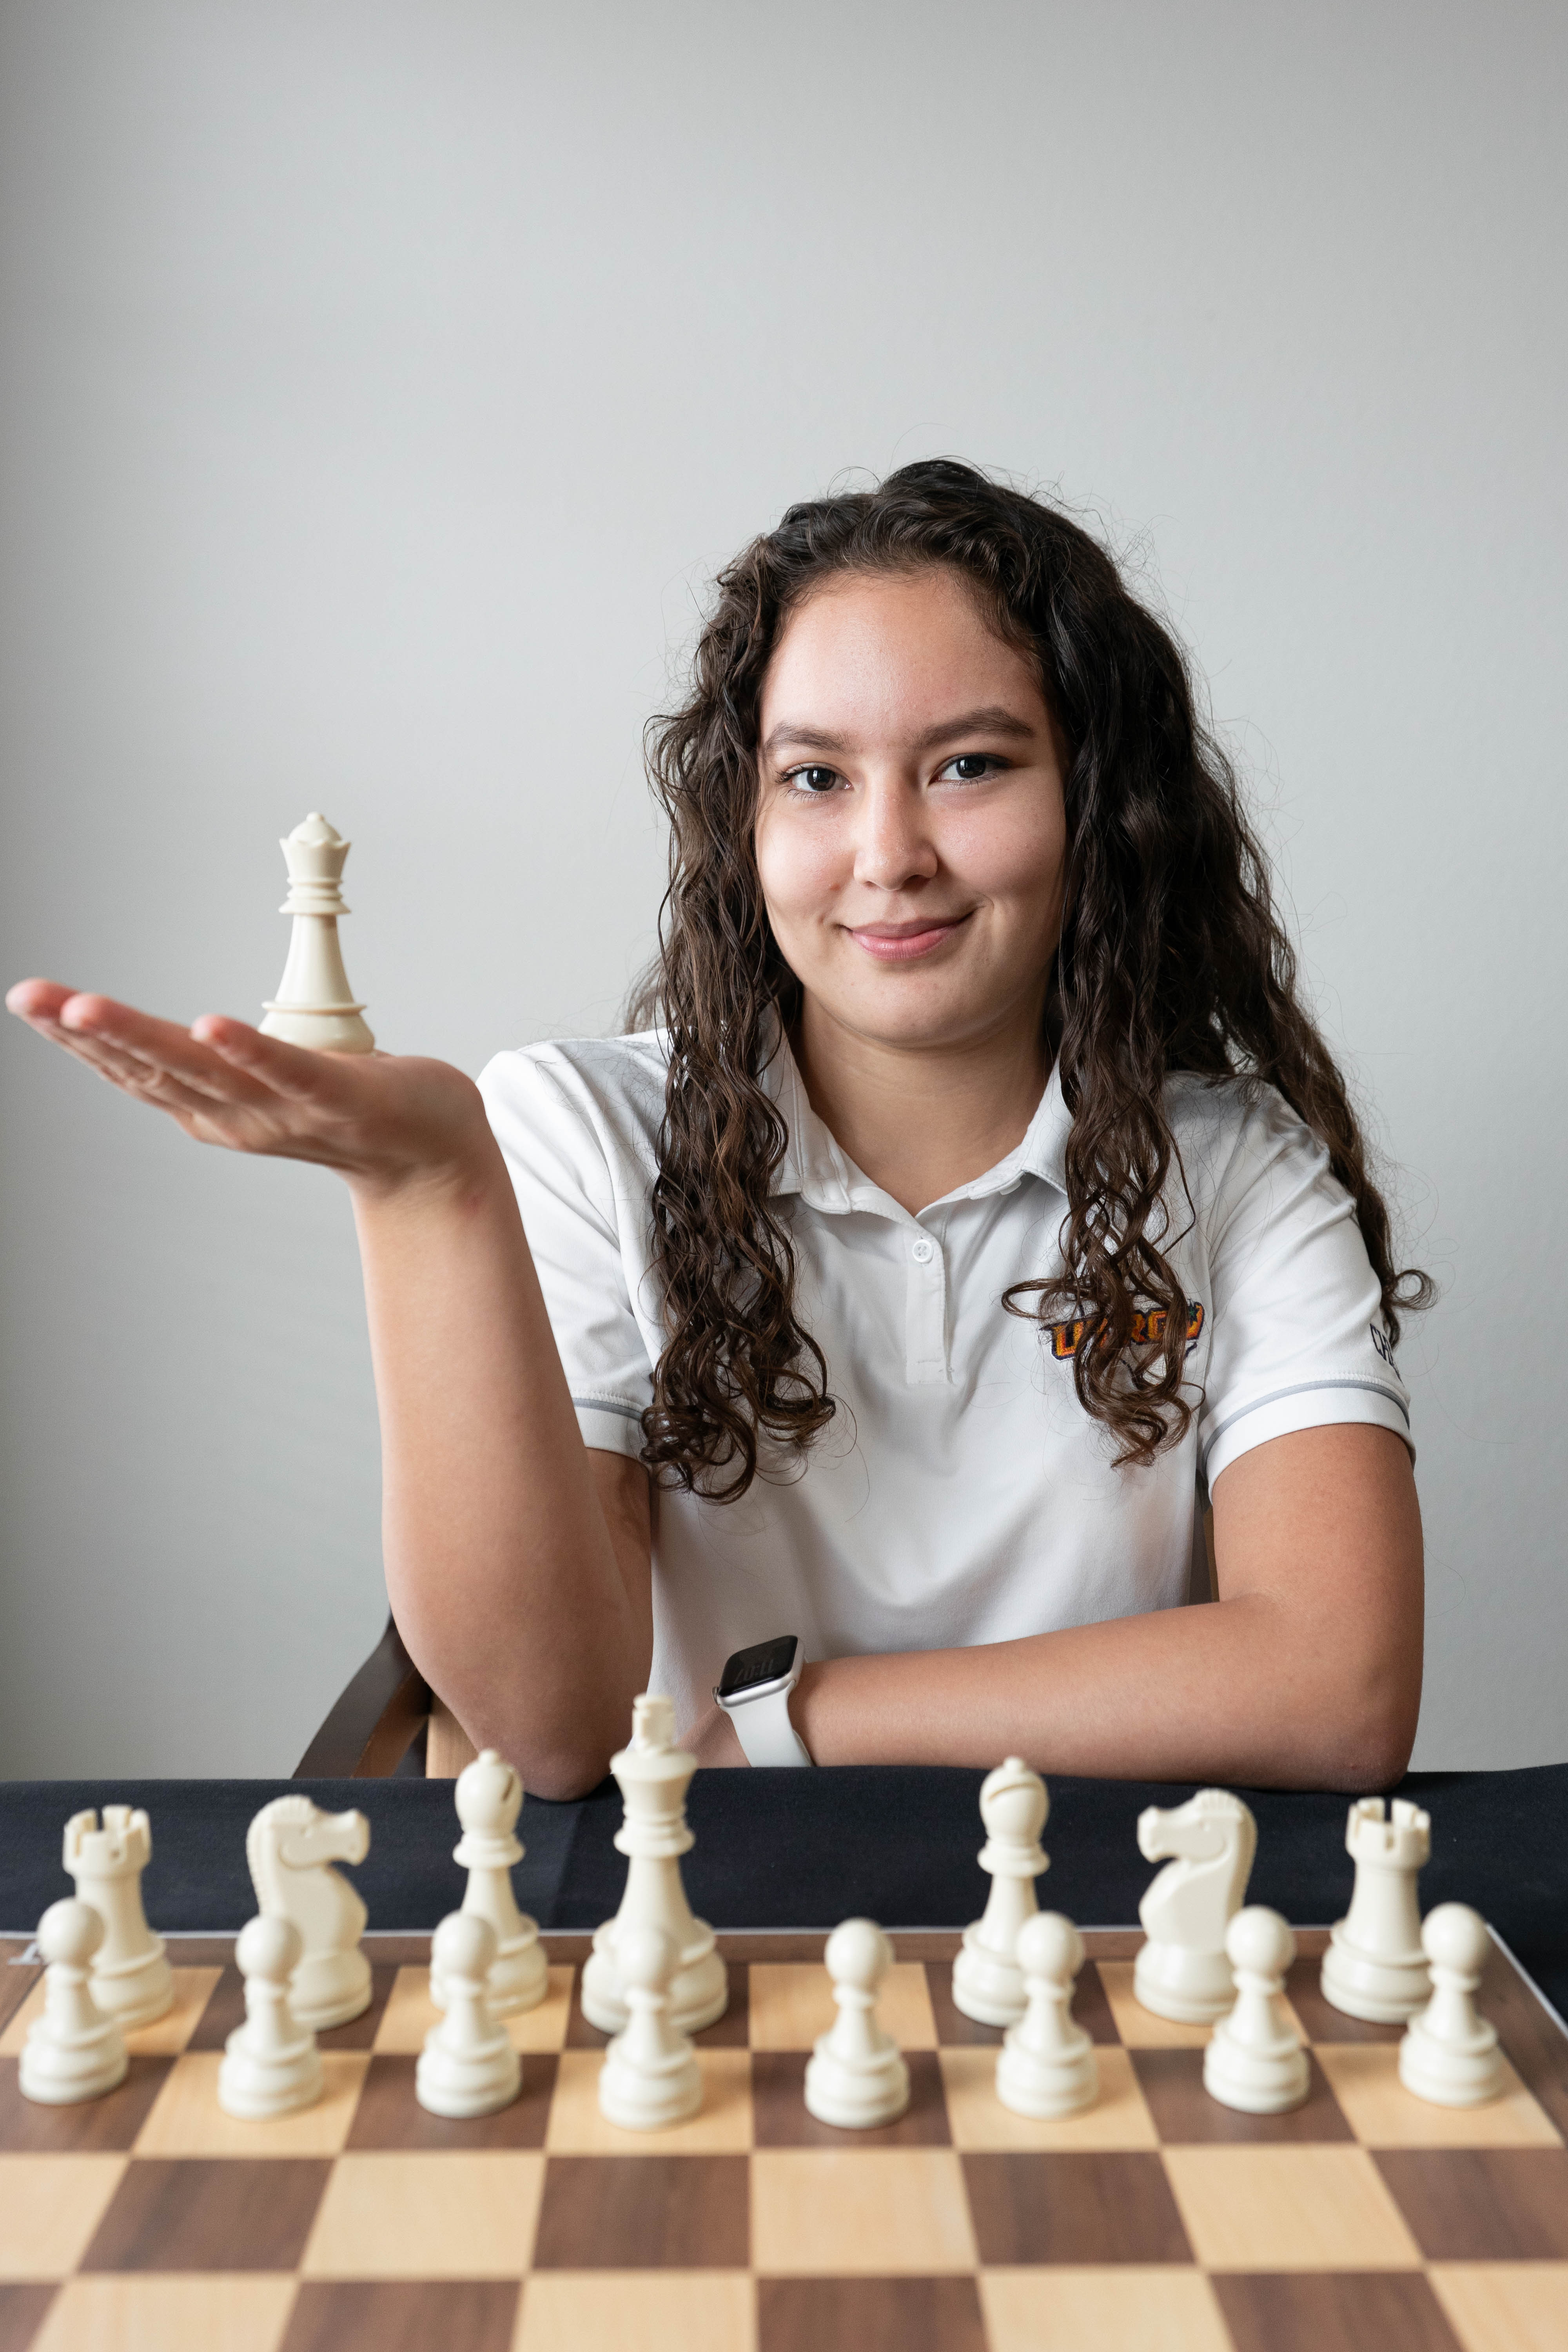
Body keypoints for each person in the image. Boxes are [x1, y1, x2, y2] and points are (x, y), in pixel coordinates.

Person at [7, 461, 1429, 1799]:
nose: (889, 857)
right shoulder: (577, 1132)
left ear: (1102, 806)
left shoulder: (1240, 1169)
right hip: (689, 1929)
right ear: (743, 823)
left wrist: (786, 1719)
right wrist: (426, 1184)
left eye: (972, 765)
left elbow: (1340, 1684)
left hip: (1091, 1931)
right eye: (816, 777)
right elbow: (554, 1728)